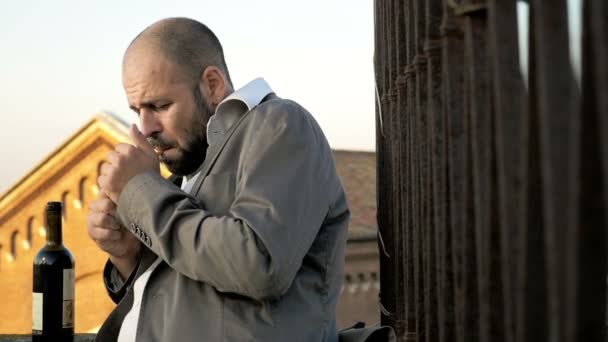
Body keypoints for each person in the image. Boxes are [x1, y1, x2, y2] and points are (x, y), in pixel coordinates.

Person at [86, 17, 350, 341]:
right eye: (137, 110)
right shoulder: (182, 172)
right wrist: (129, 254)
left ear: (212, 85)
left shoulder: (280, 124)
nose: (146, 128)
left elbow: (258, 263)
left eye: (159, 105)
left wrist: (139, 192)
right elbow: (189, 292)